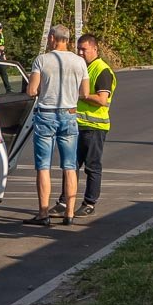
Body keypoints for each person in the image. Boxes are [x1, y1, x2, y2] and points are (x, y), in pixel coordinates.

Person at [24, 25, 90, 226]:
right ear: (68, 40)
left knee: (44, 166)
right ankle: (69, 213)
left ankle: (43, 213)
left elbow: (31, 90)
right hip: (69, 114)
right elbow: (85, 92)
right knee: (70, 166)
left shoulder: (42, 60)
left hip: (46, 115)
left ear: (53, 38)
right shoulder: (79, 62)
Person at [49, 34, 115, 217]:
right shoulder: (81, 68)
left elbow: (102, 100)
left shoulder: (102, 70)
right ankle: (64, 202)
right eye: (78, 48)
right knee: (70, 166)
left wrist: (82, 94)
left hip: (95, 127)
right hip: (75, 124)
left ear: (95, 49)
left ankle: (89, 202)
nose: (80, 52)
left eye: (84, 49)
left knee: (92, 166)